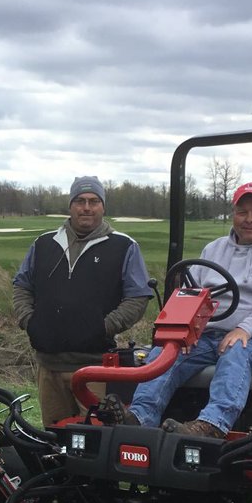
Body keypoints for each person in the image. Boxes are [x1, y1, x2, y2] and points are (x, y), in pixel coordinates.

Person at [119, 182, 252, 437]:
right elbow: (192, 294)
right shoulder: (214, 249)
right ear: (233, 214)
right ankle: (140, 417)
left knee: (236, 351)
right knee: (166, 352)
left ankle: (212, 424)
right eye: (242, 212)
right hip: (208, 335)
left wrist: (246, 328)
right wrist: (184, 332)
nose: (249, 219)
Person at [12, 176, 153, 425]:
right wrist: (29, 320)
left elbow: (138, 297)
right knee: (53, 441)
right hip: (49, 366)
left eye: (93, 201)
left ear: (103, 206)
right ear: (70, 205)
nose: (86, 207)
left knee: (95, 442)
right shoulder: (44, 243)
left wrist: (103, 327)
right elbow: (22, 285)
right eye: (80, 201)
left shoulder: (123, 246)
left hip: (95, 369)